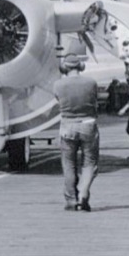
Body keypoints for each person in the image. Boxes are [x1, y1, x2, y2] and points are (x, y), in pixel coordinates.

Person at [52, 54, 99, 211]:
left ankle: (71, 200)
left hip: (67, 126)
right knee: (89, 163)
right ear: (81, 66)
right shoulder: (91, 82)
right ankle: (83, 193)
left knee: (69, 164)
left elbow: (59, 101)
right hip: (88, 124)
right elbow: (94, 101)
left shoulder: (58, 85)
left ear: (64, 67)